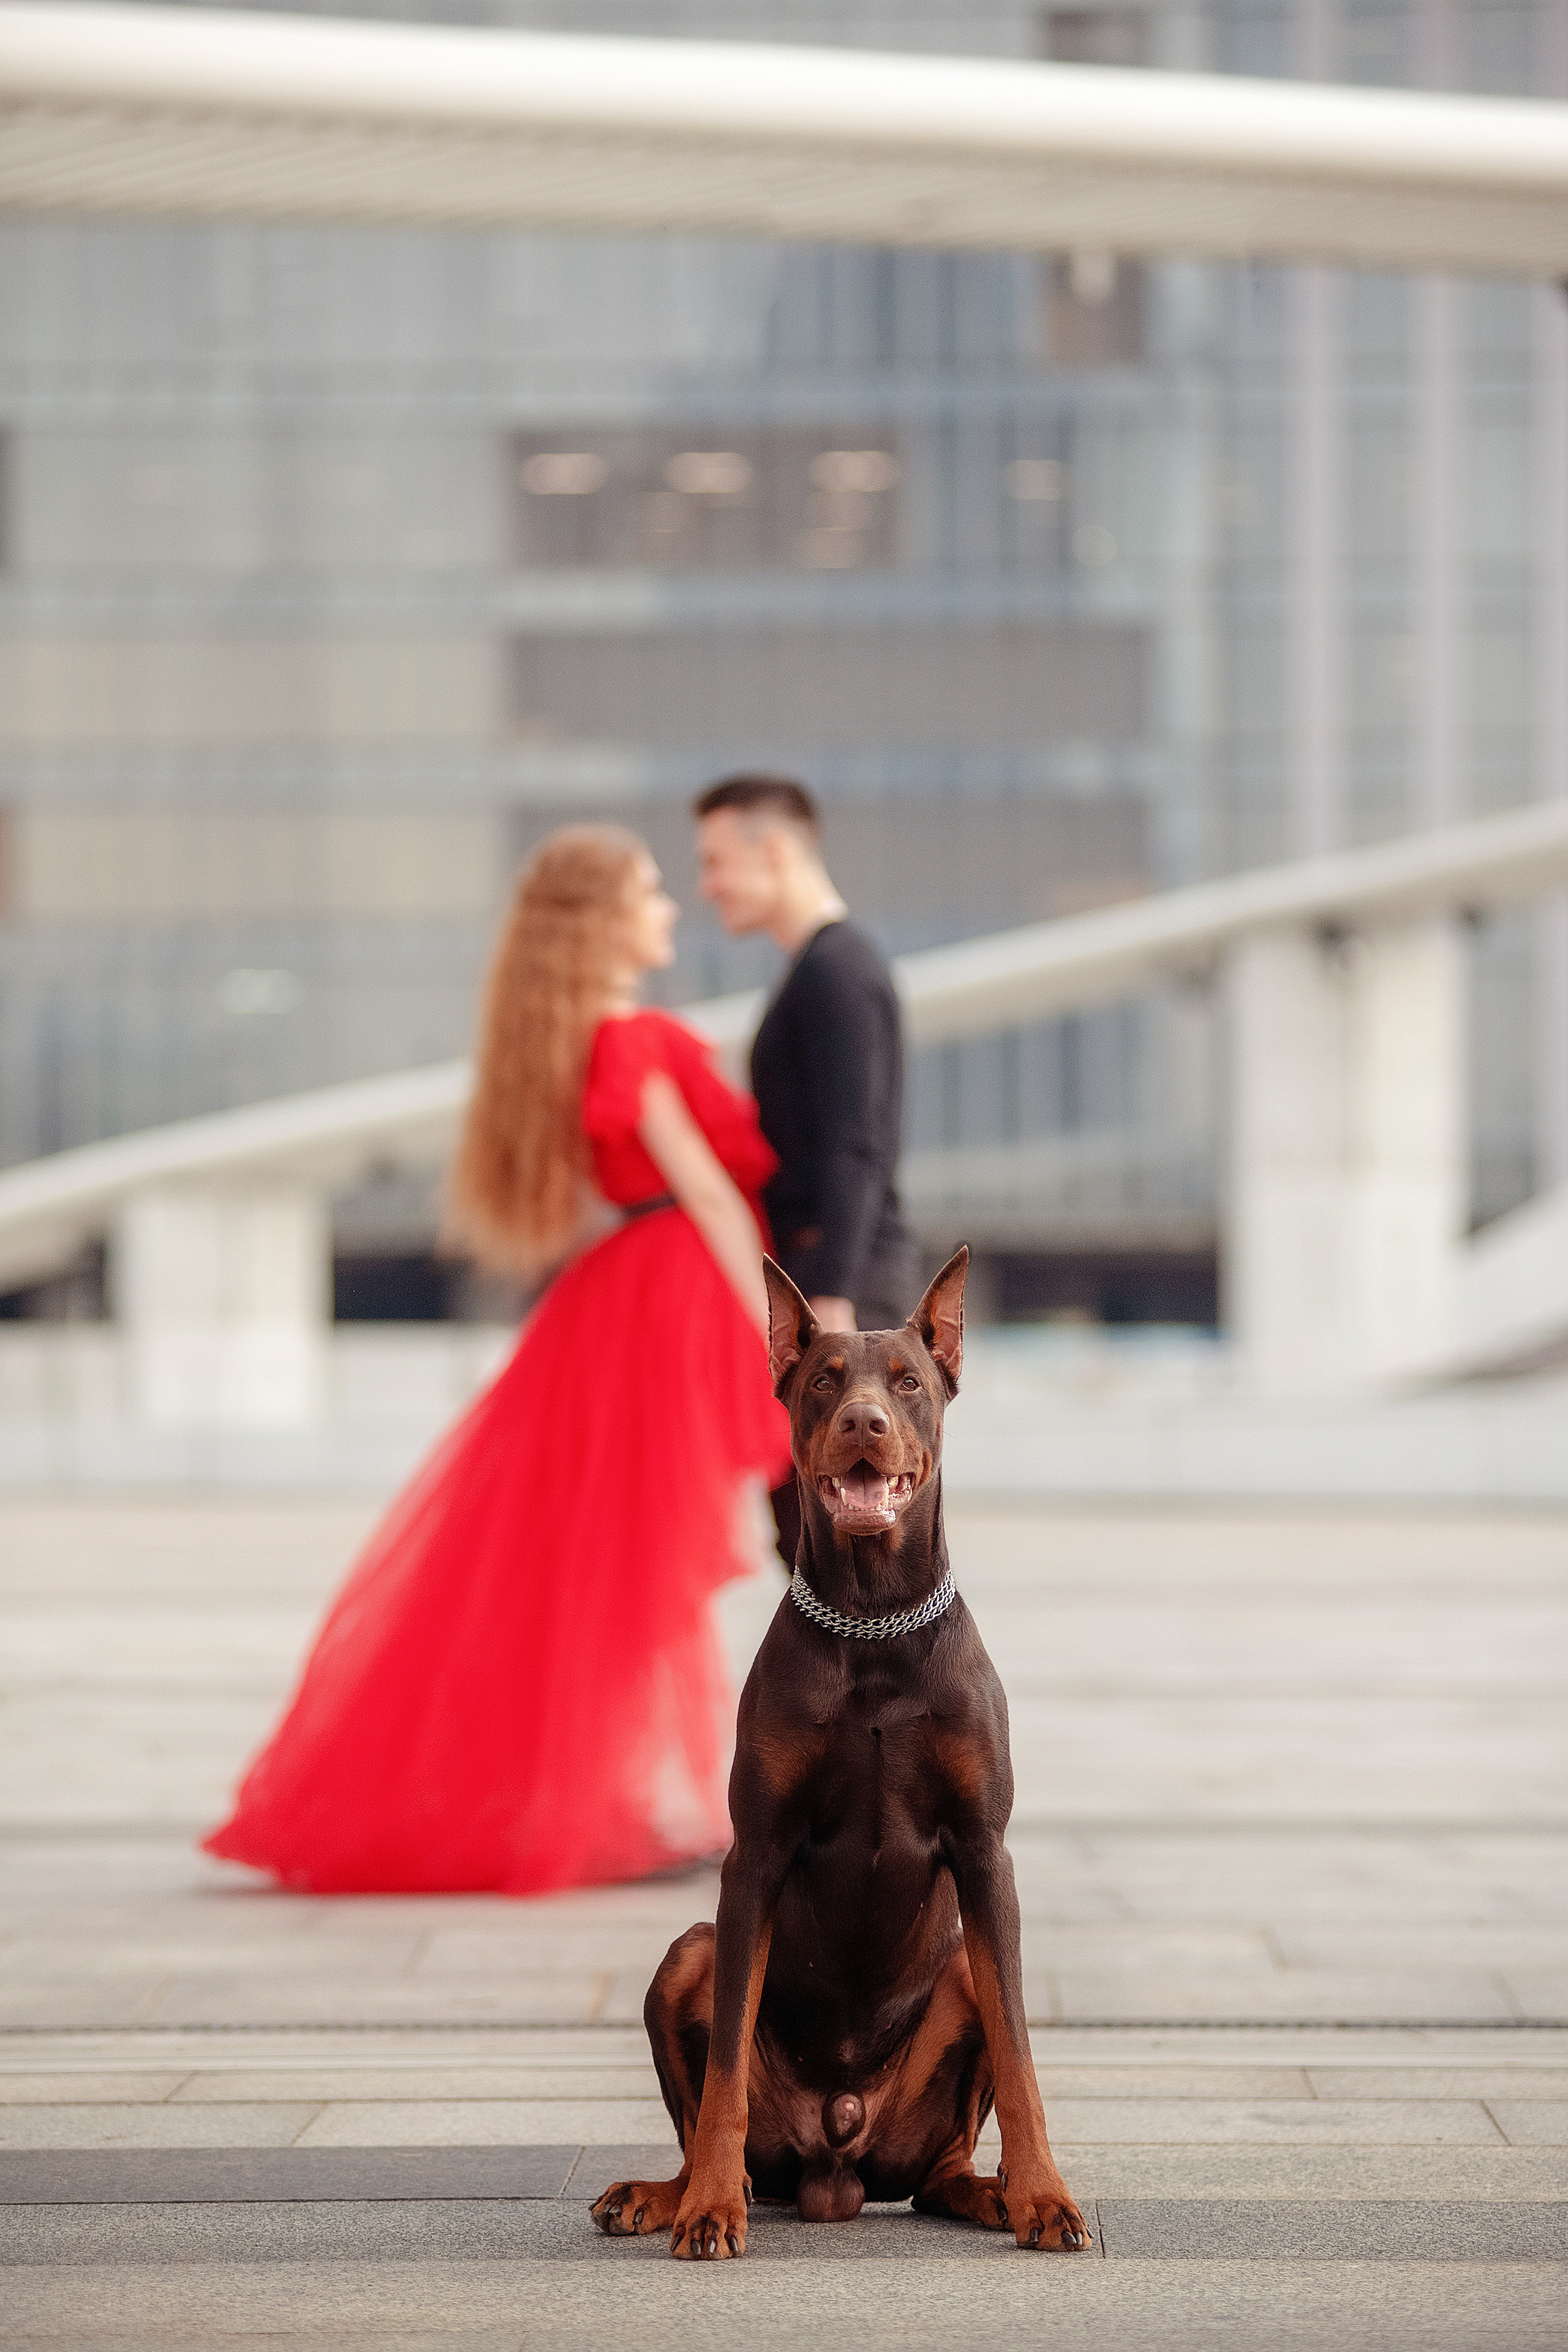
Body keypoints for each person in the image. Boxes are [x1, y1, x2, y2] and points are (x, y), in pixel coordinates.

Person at [202, 825, 790, 1896]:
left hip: (625, 1296)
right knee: (643, 1571)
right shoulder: (633, 1038)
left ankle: (618, 1802)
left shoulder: (575, 1039)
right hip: (672, 1290)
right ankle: (631, 1805)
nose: (669, 909)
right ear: (604, 922)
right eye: (651, 892)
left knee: (618, 1571)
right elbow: (706, 1189)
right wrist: (780, 1328)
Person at [694, 774, 915, 1570]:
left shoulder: (836, 970)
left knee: (847, 1547)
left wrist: (831, 1300)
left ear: (776, 849)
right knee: (825, 1547)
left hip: (843, 1283)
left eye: (717, 860)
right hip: (833, 1276)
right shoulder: (823, 966)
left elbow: (860, 1145)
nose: (707, 884)